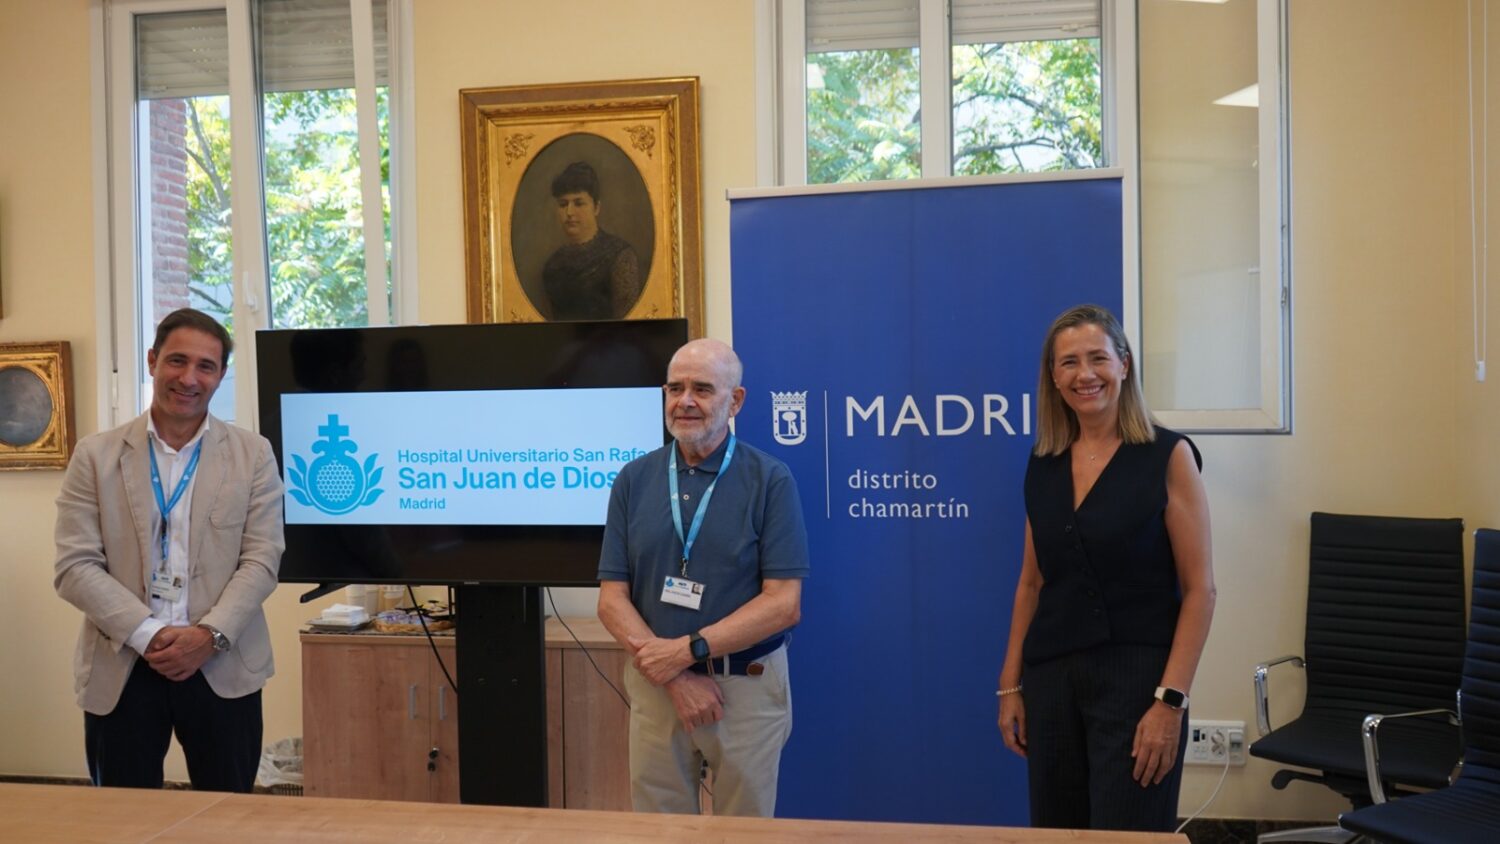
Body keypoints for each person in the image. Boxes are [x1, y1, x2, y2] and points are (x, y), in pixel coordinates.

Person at [995, 304, 1215, 831]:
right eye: (1069, 362)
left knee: (1128, 835)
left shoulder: (1169, 456)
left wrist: (1170, 703)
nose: (1084, 374)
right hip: (1052, 683)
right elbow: (1032, 582)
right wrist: (1010, 686)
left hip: (1140, 686)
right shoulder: (1043, 461)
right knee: (1057, 834)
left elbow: (1200, 591)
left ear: (1124, 364)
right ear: (1053, 377)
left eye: (1097, 358)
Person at [55, 308, 285, 792]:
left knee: (228, 815)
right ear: (152, 361)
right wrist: (149, 634)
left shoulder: (253, 455)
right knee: (125, 818)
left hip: (221, 663)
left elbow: (262, 560)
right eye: (177, 361)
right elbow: (75, 567)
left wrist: (208, 636)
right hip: (124, 665)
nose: (189, 378)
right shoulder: (95, 456)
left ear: (221, 375)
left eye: (206, 366)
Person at [597, 338, 810, 817]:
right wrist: (676, 674)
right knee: (660, 831)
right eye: (675, 388)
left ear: (735, 401)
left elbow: (784, 604)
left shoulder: (769, 480)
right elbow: (611, 600)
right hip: (658, 687)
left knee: (744, 833)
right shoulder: (633, 479)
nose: (685, 401)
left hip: (745, 687)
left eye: (702, 389)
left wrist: (687, 651)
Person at [541, 161, 643, 320]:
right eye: (563, 204)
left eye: (579, 203)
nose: (569, 212)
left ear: (596, 207)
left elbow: (629, 324)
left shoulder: (620, 256)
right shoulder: (552, 266)